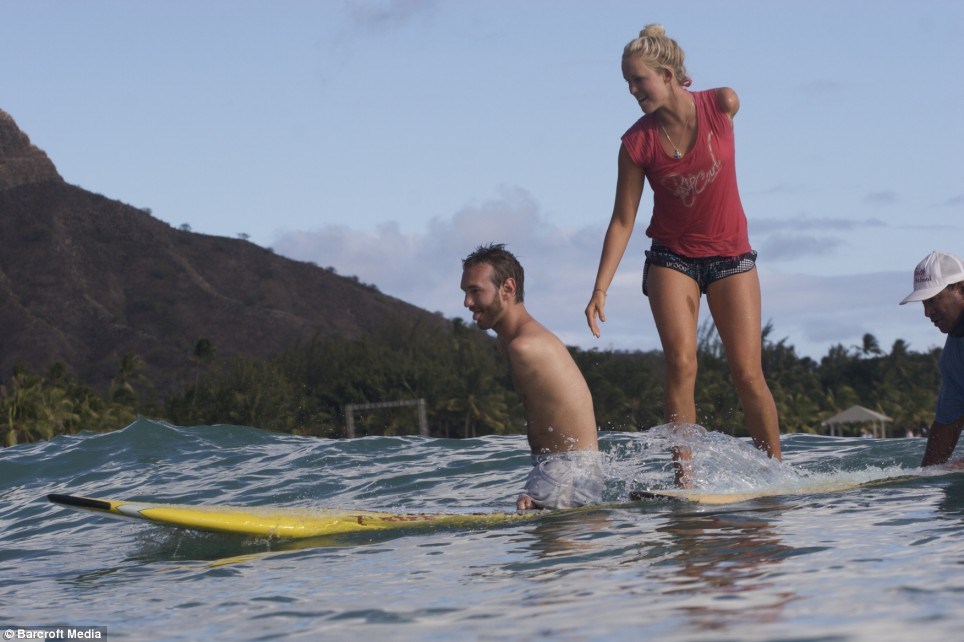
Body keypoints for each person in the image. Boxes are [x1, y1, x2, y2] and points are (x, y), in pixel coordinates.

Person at [584, 24, 782, 462]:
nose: (633, 90)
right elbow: (622, 219)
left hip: (732, 256)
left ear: (669, 75)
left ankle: (776, 473)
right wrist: (600, 288)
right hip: (672, 259)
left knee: (747, 373)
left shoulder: (721, 104)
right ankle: (685, 482)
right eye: (628, 83)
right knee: (681, 364)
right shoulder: (637, 142)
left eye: (640, 80)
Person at [461, 243, 603, 510]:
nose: (467, 302)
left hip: (566, 469)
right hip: (560, 467)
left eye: (475, 291)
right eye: (465, 292)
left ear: (508, 288)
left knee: (558, 551)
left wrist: (548, 483)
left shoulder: (525, 347)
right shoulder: (508, 342)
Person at [899, 251, 964, 466]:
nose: (927, 312)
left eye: (933, 300)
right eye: (923, 303)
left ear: (961, 290)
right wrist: (927, 476)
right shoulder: (953, 357)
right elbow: (948, 422)